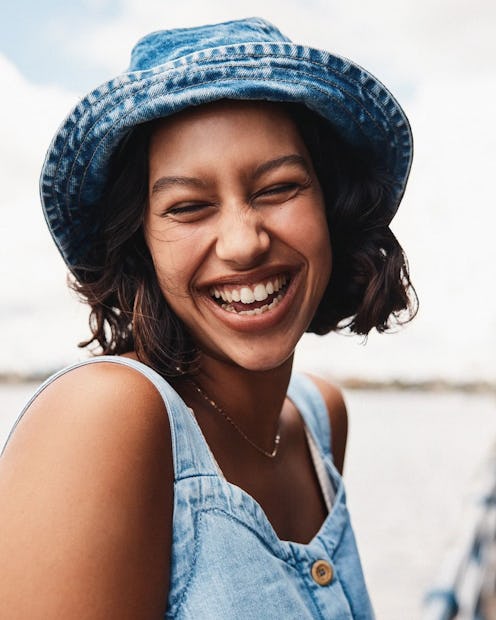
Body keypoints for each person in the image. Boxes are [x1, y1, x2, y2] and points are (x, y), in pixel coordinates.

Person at [0, 17, 416, 619]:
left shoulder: (320, 418)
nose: (243, 243)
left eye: (278, 189)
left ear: (333, 206)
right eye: (189, 207)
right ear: (140, 242)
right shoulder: (105, 419)